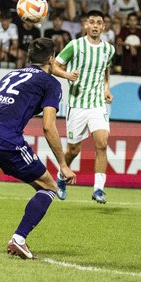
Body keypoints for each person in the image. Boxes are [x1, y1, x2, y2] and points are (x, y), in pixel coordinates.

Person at [0, 38, 76, 259]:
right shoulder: (51, 83)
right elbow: (48, 126)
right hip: (4, 137)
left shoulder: (11, 74)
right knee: (49, 186)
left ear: (29, 57)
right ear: (52, 59)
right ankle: (19, 239)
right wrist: (63, 164)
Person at [53, 10, 115, 204]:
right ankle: (62, 176)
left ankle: (98, 189)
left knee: (102, 143)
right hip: (77, 105)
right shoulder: (75, 45)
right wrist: (67, 76)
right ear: (86, 25)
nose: (95, 26)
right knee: (73, 150)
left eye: (99, 22)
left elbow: (105, 70)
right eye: (92, 22)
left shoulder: (109, 49)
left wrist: (106, 88)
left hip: (97, 105)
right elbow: (54, 66)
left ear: (104, 27)